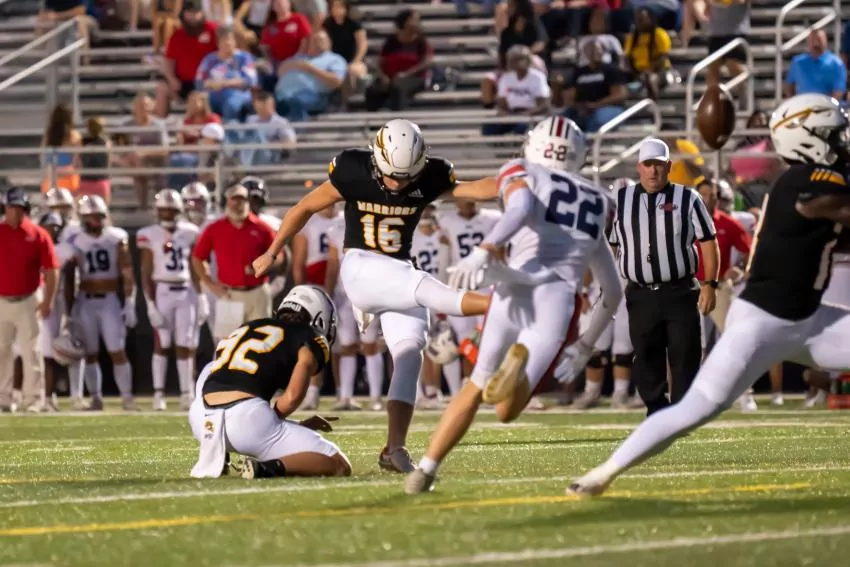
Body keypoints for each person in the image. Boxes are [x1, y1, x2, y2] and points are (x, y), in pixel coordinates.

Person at [567, 93, 850, 497]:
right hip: (762, 325)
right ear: (808, 138)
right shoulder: (806, 180)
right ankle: (603, 472)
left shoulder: (818, 180)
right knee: (693, 410)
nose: (841, 141)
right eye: (834, 134)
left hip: (809, 320)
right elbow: (832, 205)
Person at [251, 119, 498, 473]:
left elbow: (474, 189)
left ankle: (394, 448)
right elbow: (304, 207)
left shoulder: (431, 175)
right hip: (362, 266)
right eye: (392, 175)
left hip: (398, 272)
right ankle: (501, 304)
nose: (398, 183)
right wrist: (273, 251)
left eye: (406, 177)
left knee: (410, 353)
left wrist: (520, 179)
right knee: (431, 291)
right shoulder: (353, 169)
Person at [404, 116, 622, 494]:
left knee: (476, 384)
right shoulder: (601, 201)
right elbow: (613, 290)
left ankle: (425, 470)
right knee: (506, 410)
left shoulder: (523, 170)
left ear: (535, 144)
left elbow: (519, 208)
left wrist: (485, 250)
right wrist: (586, 344)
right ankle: (516, 371)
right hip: (557, 299)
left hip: (513, 284)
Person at [599, 138, 719, 416]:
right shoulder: (622, 201)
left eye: (659, 165)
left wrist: (710, 284)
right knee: (645, 356)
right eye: (648, 164)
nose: (653, 171)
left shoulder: (688, 198)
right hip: (640, 292)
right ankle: (656, 412)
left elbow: (708, 241)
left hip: (680, 291)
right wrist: (606, 286)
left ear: (669, 166)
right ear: (639, 167)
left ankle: (682, 414)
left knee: (685, 355)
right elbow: (613, 246)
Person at [189, 285, 351, 479]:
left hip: (202, 420)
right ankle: (265, 468)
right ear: (319, 318)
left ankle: (220, 454)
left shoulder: (247, 327)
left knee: (212, 367)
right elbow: (291, 399)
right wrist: (275, 422)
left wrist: (295, 424)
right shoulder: (310, 337)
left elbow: (216, 372)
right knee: (338, 463)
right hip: (246, 425)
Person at [63, 195, 139, 411]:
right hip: (85, 300)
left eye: (98, 216)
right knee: (90, 353)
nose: (95, 221)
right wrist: (69, 311)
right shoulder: (75, 239)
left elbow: (127, 271)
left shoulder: (116, 237)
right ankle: (96, 398)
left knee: (117, 350)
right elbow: (69, 276)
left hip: (109, 300)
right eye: (90, 216)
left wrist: (130, 301)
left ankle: (127, 397)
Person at [138, 189, 207, 411]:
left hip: (186, 291)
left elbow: (195, 267)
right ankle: (159, 393)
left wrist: (202, 296)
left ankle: (187, 393)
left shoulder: (190, 231)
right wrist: (150, 304)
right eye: (164, 210)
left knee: (185, 343)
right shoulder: (149, 234)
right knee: (162, 342)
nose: (168, 214)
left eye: (172, 210)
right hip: (163, 290)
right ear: (157, 211)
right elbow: (145, 272)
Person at [192, 184, 283, 342]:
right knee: (228, 345)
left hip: (258, 292)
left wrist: (265, 264)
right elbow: (198, 257)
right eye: (234, 200)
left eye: (242, 200)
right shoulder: (215, 228)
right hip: (229, 293)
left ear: (248, 202)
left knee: (261, 342)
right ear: (227, 202)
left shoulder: (262, 228)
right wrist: (209, 283)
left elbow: (279, 256)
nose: (238, 204)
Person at [0, 188, 59, 413]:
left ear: (25, 210)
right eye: (11, 208)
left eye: (18, 208)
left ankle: (33, 399)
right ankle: (3, 398)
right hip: (2, 299)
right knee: (2, 351)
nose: (14, 213)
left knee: (31, 351)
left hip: (28, 299)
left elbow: (52, 270)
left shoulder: (38, 234)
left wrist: (48, 301)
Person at [437, 200, 500, 397]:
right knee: (465, 340)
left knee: (488, 336)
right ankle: (467, 385)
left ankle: (486, 382)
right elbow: (444, 253)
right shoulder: (446, 220)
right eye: (464, 199)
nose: (468, 203)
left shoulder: (492, 218)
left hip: (486, 282)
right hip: (460, 283)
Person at [325, 215, 385, 411]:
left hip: (368, 292)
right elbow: (333, 265)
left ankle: (375, 397)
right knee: (347, 346)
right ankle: (346, 397)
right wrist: (328, 294)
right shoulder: (337, 228)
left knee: (370, 345)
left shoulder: (375, 225)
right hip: (343, 293)